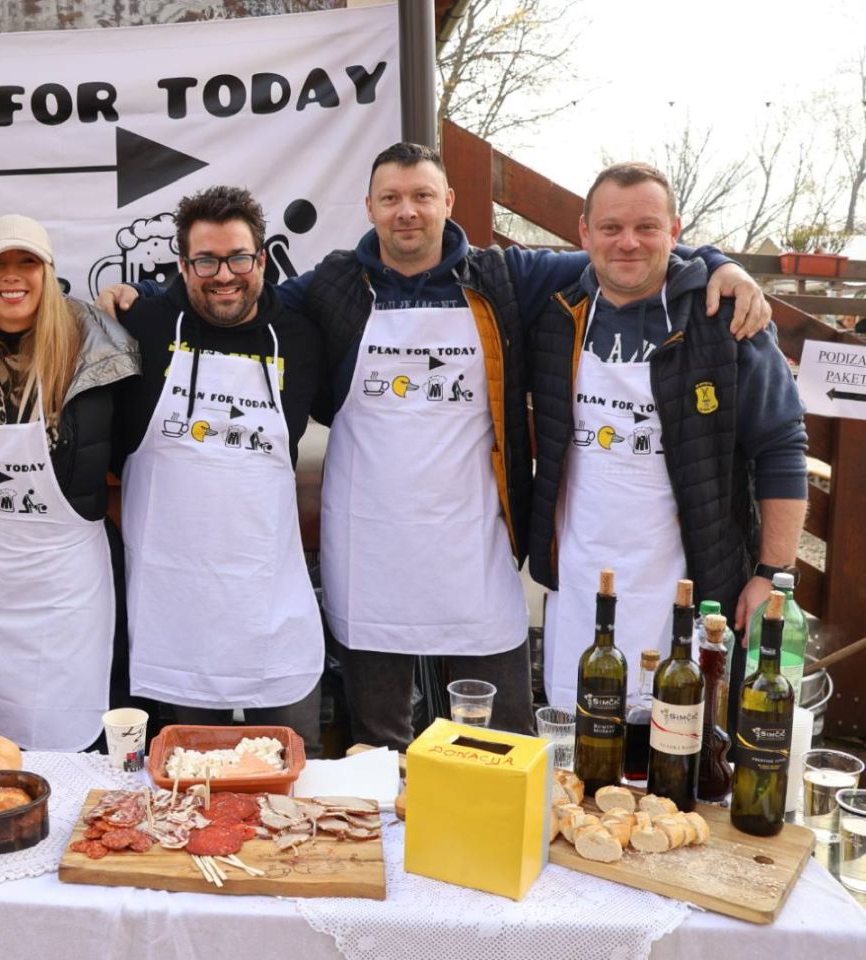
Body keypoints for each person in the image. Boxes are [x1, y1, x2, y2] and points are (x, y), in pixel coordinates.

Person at [98, 142, 771, 751]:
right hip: (370, 554)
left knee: (501, 741)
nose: (407, 212)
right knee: (377, 748)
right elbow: (234, 297)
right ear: (369, 208)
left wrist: (718, 263)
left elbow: (618, 255)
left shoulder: (507, 277)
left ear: (449, 203)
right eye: (390, 198)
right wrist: (145, 298)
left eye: (423, 195)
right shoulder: (332, 286)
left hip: (472, 552)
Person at [528, 162, 807, 717]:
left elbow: (782, 447)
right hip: (580, 586)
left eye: (647, 227)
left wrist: (770, 575)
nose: (628, 243)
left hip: (686, 588)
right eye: (610, 228)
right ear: (584, 234)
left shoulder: (725, 322)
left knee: (676, 754)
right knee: (581, 747)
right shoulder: (558, 311)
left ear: (675, 231)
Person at [111, 186, 326, 754]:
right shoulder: (143, 327)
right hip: (178, 616)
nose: (223, 274)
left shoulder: (302, 338)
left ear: (261, 260)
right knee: (188, 791)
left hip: (273, 612)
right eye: (206, 260)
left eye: (238, 258)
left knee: (294, 786)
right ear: (182, 266)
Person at [0, 214, 138, 751]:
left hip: (64, 591)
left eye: (27, 262)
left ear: (48, 271)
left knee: (73, 741)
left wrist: (147, 291)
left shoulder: (95, 343)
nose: (11, 276)